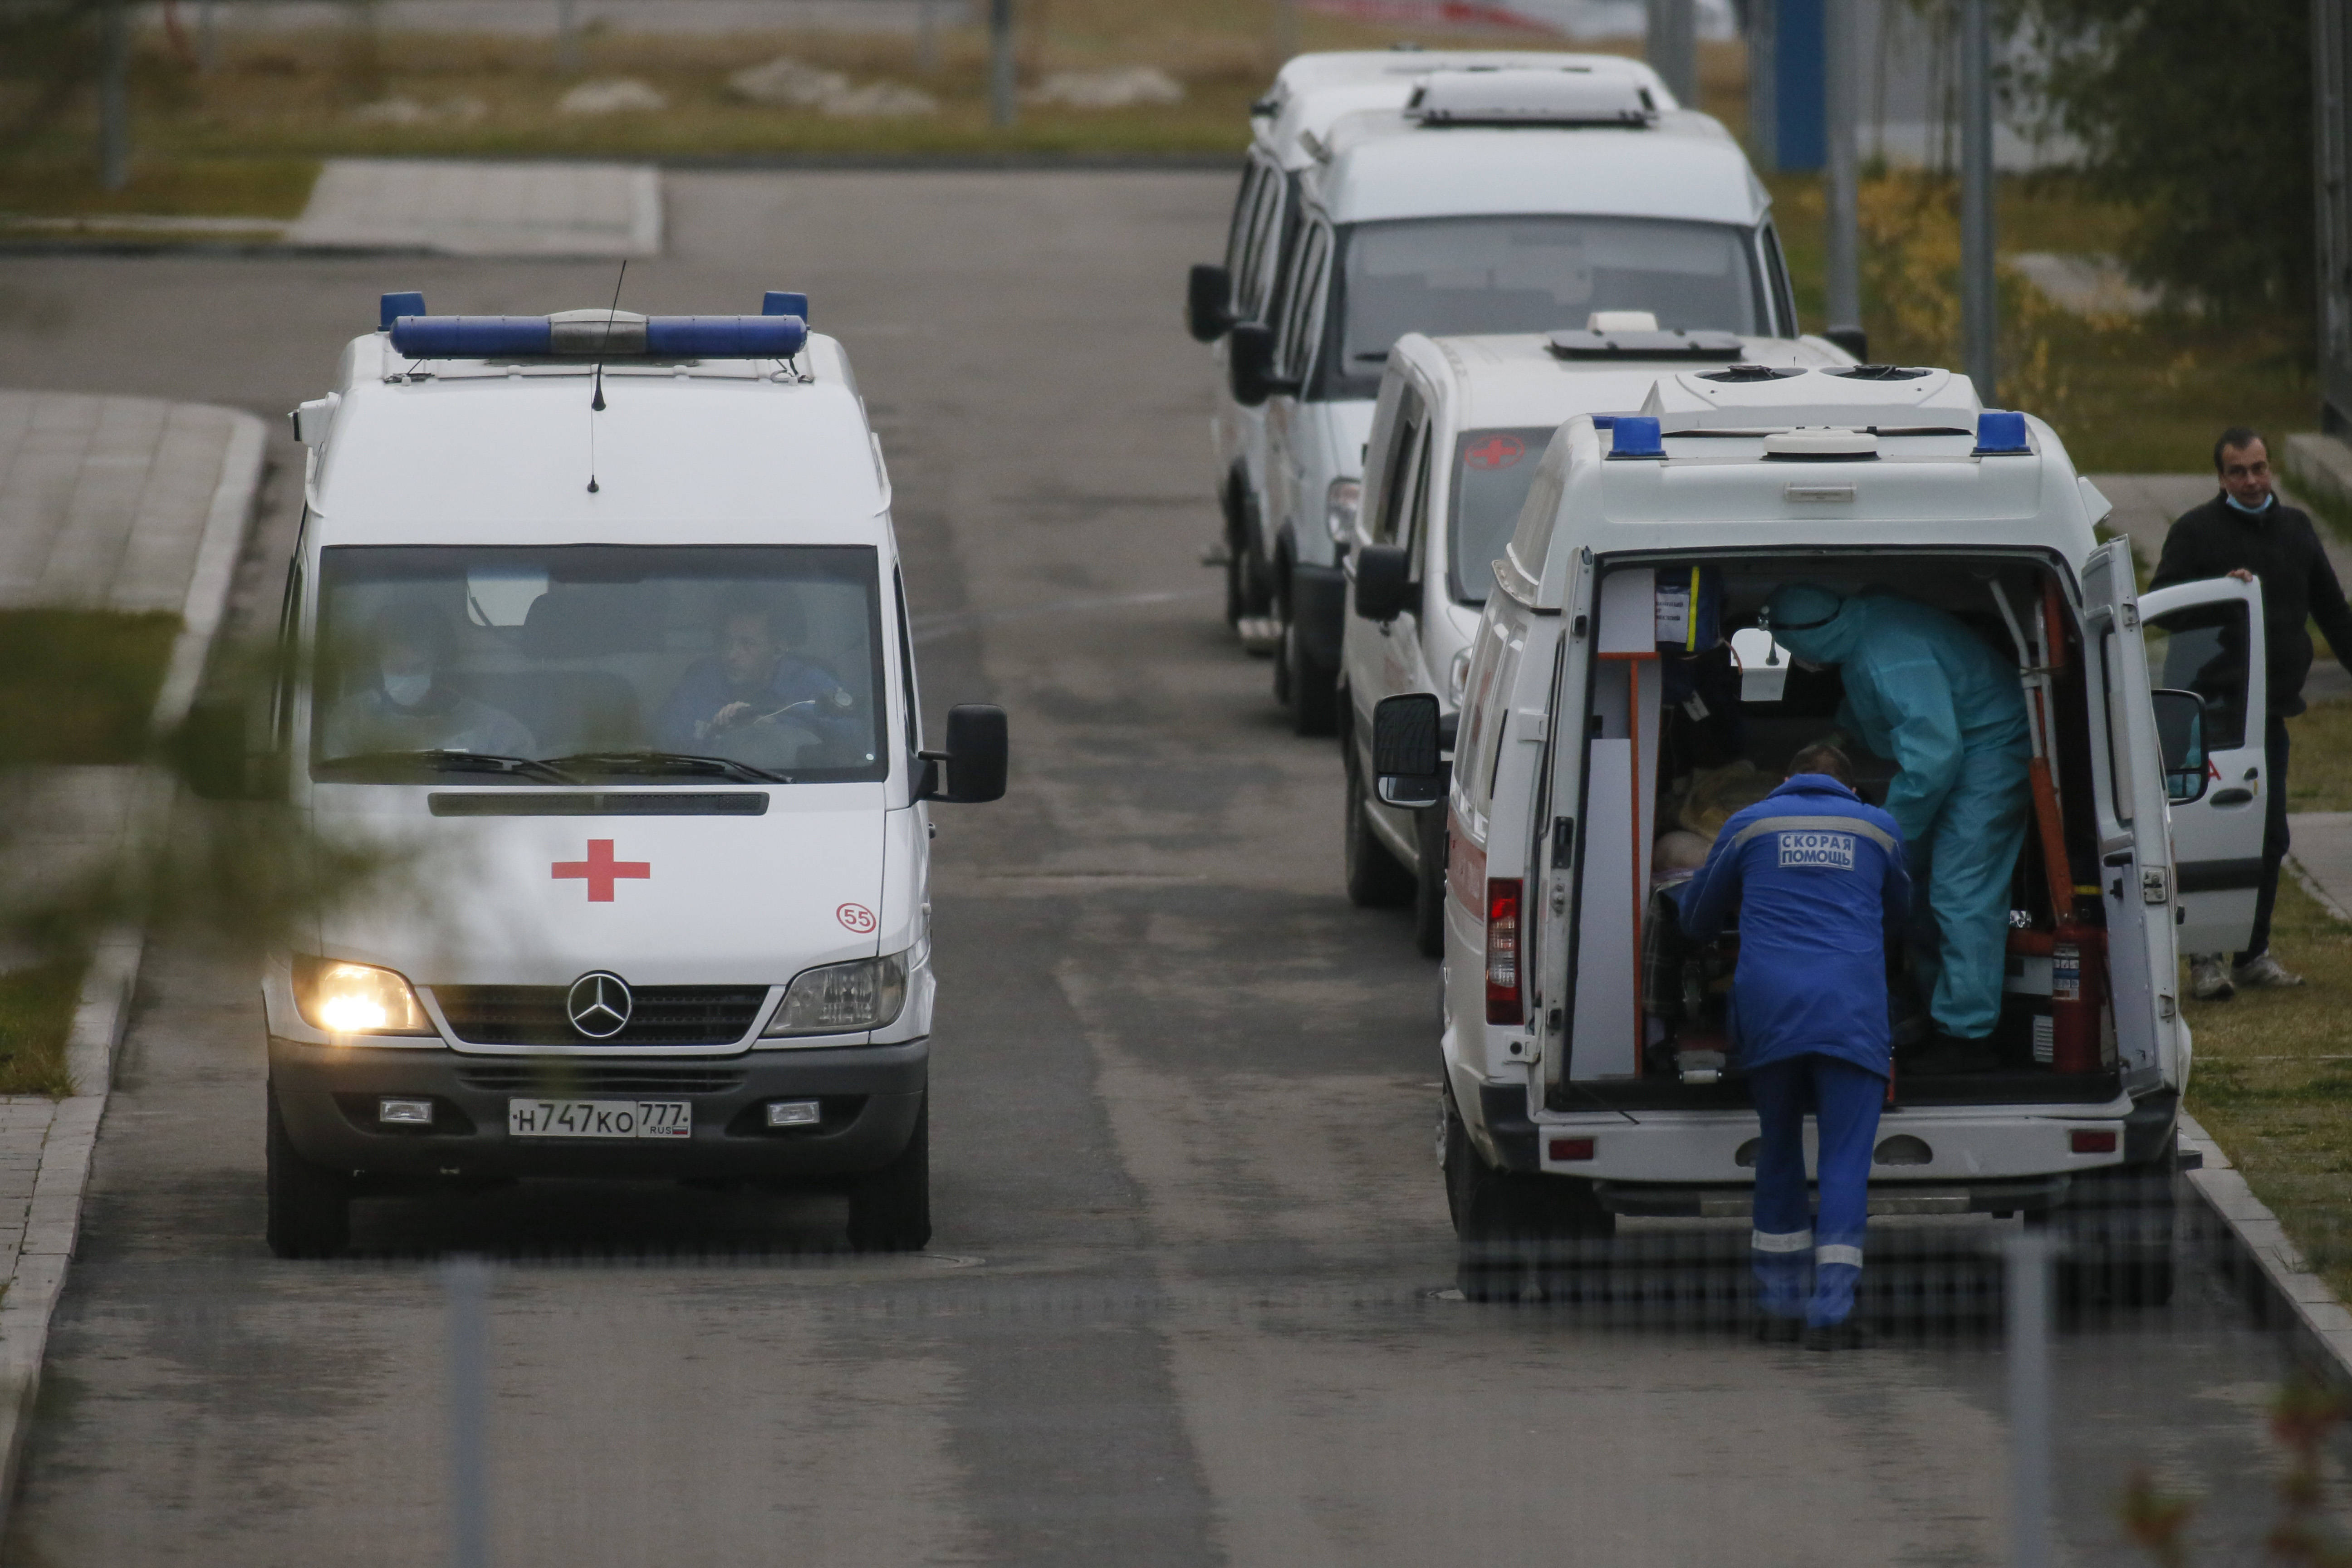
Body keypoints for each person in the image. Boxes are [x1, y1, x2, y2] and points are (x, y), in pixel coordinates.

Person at [1676, 743, 1911, 1350]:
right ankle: (1831, 1313)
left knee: (1778, 1150)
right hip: (1851, 1012)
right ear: (1851, 788)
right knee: (1843, 1163)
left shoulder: (1750, 823)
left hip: (1770, 1009)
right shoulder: (1879, 829)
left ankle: (1777, 1303)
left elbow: (1697, 918)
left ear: (1785, 780)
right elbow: (1902, 916)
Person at [1762, 583, 2031, 1071]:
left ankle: (1968, 1038)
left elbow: (1933, 756)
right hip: (1961, 748)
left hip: (1991, 748)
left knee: (1960, 888)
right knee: (1917, 885)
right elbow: (1878, 716)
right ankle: (1934, 1012)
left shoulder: (1885, 651)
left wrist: (1885, 832)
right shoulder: (1866, 630)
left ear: (1805, 640)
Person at [2150, 427, 2352, 1000]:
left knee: (2270, 838)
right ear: (2221, 478)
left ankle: (2253, 953)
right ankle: (2204, 959)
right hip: (2209, 711)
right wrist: (2220, 590)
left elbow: (2334, 614)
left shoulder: (2297, 529)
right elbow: (2162, 607)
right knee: (2206, 834)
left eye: (2260, 468)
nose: (2252, 480)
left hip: (2268, 715)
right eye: (2238, 472)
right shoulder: (2195, 531)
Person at [321, 603, 533, 760]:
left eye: (418, 668)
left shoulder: (493, 728)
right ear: (377, 665)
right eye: (396, 668)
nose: (407, 677)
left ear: (438, 664)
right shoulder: (350, 720)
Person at [653, 597, 859, 759]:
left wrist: (772, 728)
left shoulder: (811, 683)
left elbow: (853, 740)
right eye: (727, 642)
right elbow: (667, 744)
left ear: (778, 648)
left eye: (748, 644)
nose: (731, 655)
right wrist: (716, 733)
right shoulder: (701, 682)